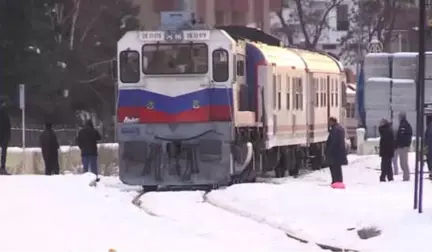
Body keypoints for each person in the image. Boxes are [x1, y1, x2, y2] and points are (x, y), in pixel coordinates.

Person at [325, 117, 348, 184]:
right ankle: (338, 180)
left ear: (332, 121)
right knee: (337, 168)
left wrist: (329, 151)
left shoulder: (335, 129)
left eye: (329, 122)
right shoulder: (339, 128)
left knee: (334, 168)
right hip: (339, 152)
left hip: (334, 153)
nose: (328, 123)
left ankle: (336, 181)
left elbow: (333, 142)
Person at [395, 112, 413, 181]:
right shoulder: (402, 124)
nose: (398, 118)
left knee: (404, 162)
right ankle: (405, 175)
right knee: (402, 163)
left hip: (404, 146)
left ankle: (406, 176)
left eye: (399, 117)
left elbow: (405, 136)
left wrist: (404, 144)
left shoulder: (405, 125)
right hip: (401, 146)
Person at [0, 100, 11, 175]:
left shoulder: (5, 113)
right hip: (4, 135)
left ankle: (2, 168)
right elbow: (8, 125)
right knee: (3, 153)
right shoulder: (5, 113)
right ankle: (2, 168)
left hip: (4, 135)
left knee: (4, 152)